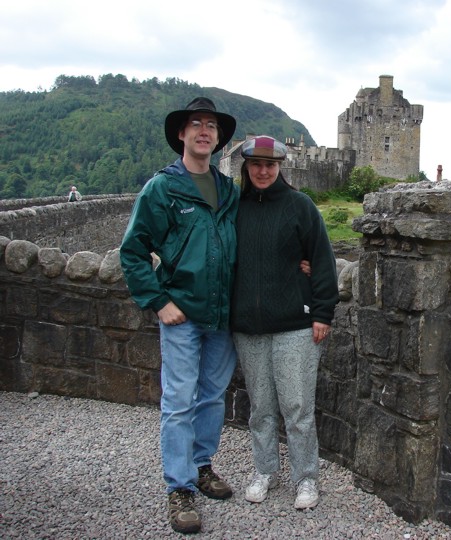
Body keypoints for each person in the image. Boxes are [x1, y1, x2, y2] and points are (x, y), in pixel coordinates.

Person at [119, 97, 239, 534]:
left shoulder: (228, 191)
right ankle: (179, 488)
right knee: (178, 400)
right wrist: (158, 300)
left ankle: (202, 465)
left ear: (219, 138)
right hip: (182, 314)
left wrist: (302, 261)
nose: (204, 131)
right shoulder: (162, 189)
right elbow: (132, 252)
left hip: (222, 316)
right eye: (196, 125)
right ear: (182, 135)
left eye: (211, 126)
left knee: (211, 396)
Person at [230, 135, 339, 510]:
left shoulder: (300, 207)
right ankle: (265, 471)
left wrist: (323, 312)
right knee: (260, 408)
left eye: (270, 165)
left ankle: (306, 478)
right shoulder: (234, 209)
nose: (263, 171)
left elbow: (321, 259)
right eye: (256, 165)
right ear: (246, 167)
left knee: (297, 408)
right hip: (249, 326)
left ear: (280, 167)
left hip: (295, 324)